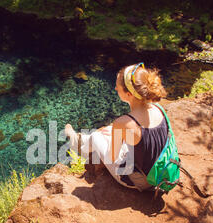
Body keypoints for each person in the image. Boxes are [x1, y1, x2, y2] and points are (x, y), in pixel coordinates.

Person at [64, 62, 169, 191]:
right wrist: (116, 134)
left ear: (129, 95)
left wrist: (110, 137)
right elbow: (144, 141)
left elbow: (110, 158)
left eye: (117, 86)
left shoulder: (124, 122)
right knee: (109, 130)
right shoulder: (159, 108)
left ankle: (79, 145)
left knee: (98, 135)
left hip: (139, 180)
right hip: (160, 174)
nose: (115, 89)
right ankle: (80, 141)